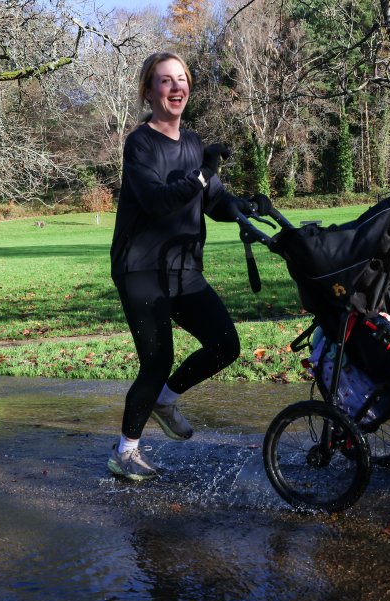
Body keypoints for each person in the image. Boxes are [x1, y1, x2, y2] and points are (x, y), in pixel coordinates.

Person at [107, 52, 252, 481]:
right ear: (148, 91)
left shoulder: (191, 143)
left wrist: (243, 208)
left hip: (183, 268)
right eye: (165, 81)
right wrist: (205, 173)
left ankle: (166, 401)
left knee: (226, 344)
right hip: (141, 268)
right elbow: (156, 200)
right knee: (156, 359)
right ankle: (125, 451)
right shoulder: (140, 144)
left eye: (181, 79)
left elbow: (213, 200)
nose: (176, 88)